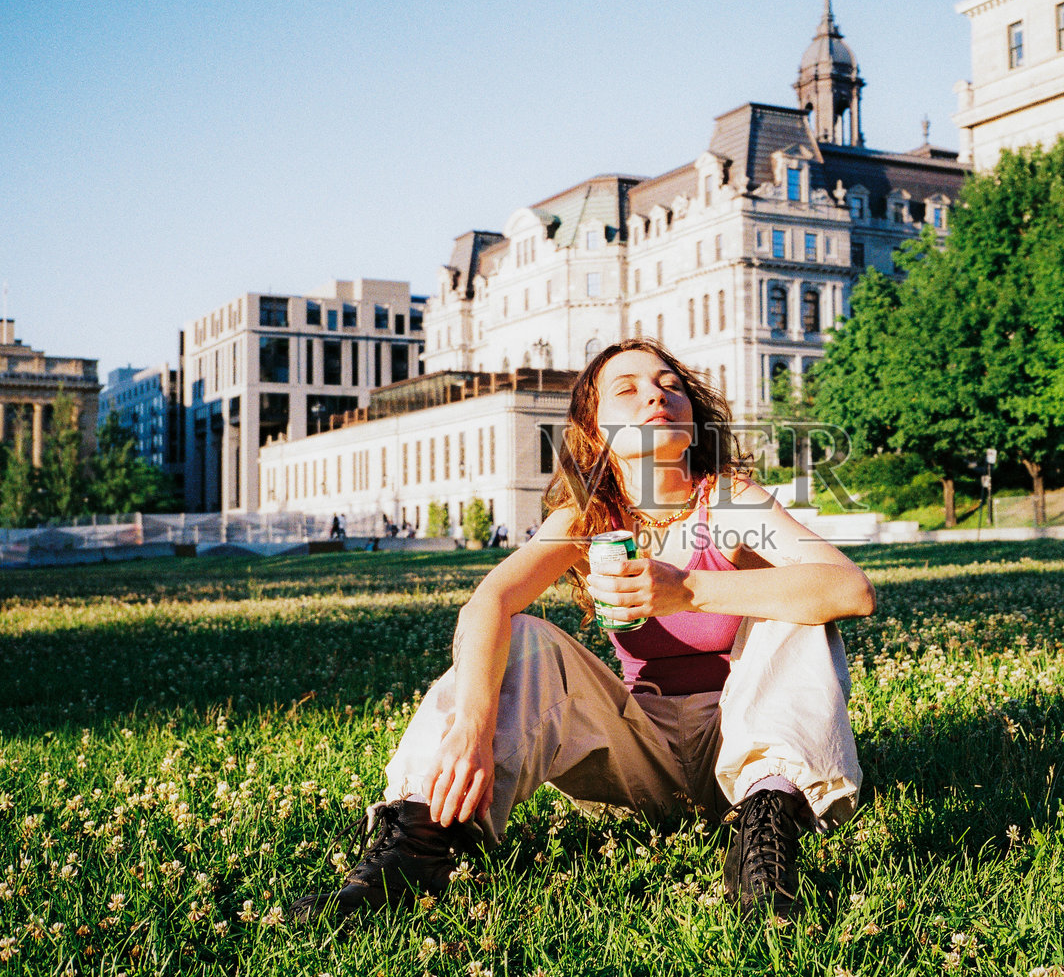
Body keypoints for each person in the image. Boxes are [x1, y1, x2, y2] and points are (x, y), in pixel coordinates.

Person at [289, 339, 874, 924]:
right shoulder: (589, 517)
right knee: (525, 637)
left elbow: (851, 589)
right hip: (641, 753)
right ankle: (417, 842)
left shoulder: (728, 500)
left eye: (671, 386)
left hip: (742, 737)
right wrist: (472, 726)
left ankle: (766, 842)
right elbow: (488, 601)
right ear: (596, 430)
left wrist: (689, 589)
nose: (656, 396)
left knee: (798, 609)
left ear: (693, 419)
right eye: (628, 389)